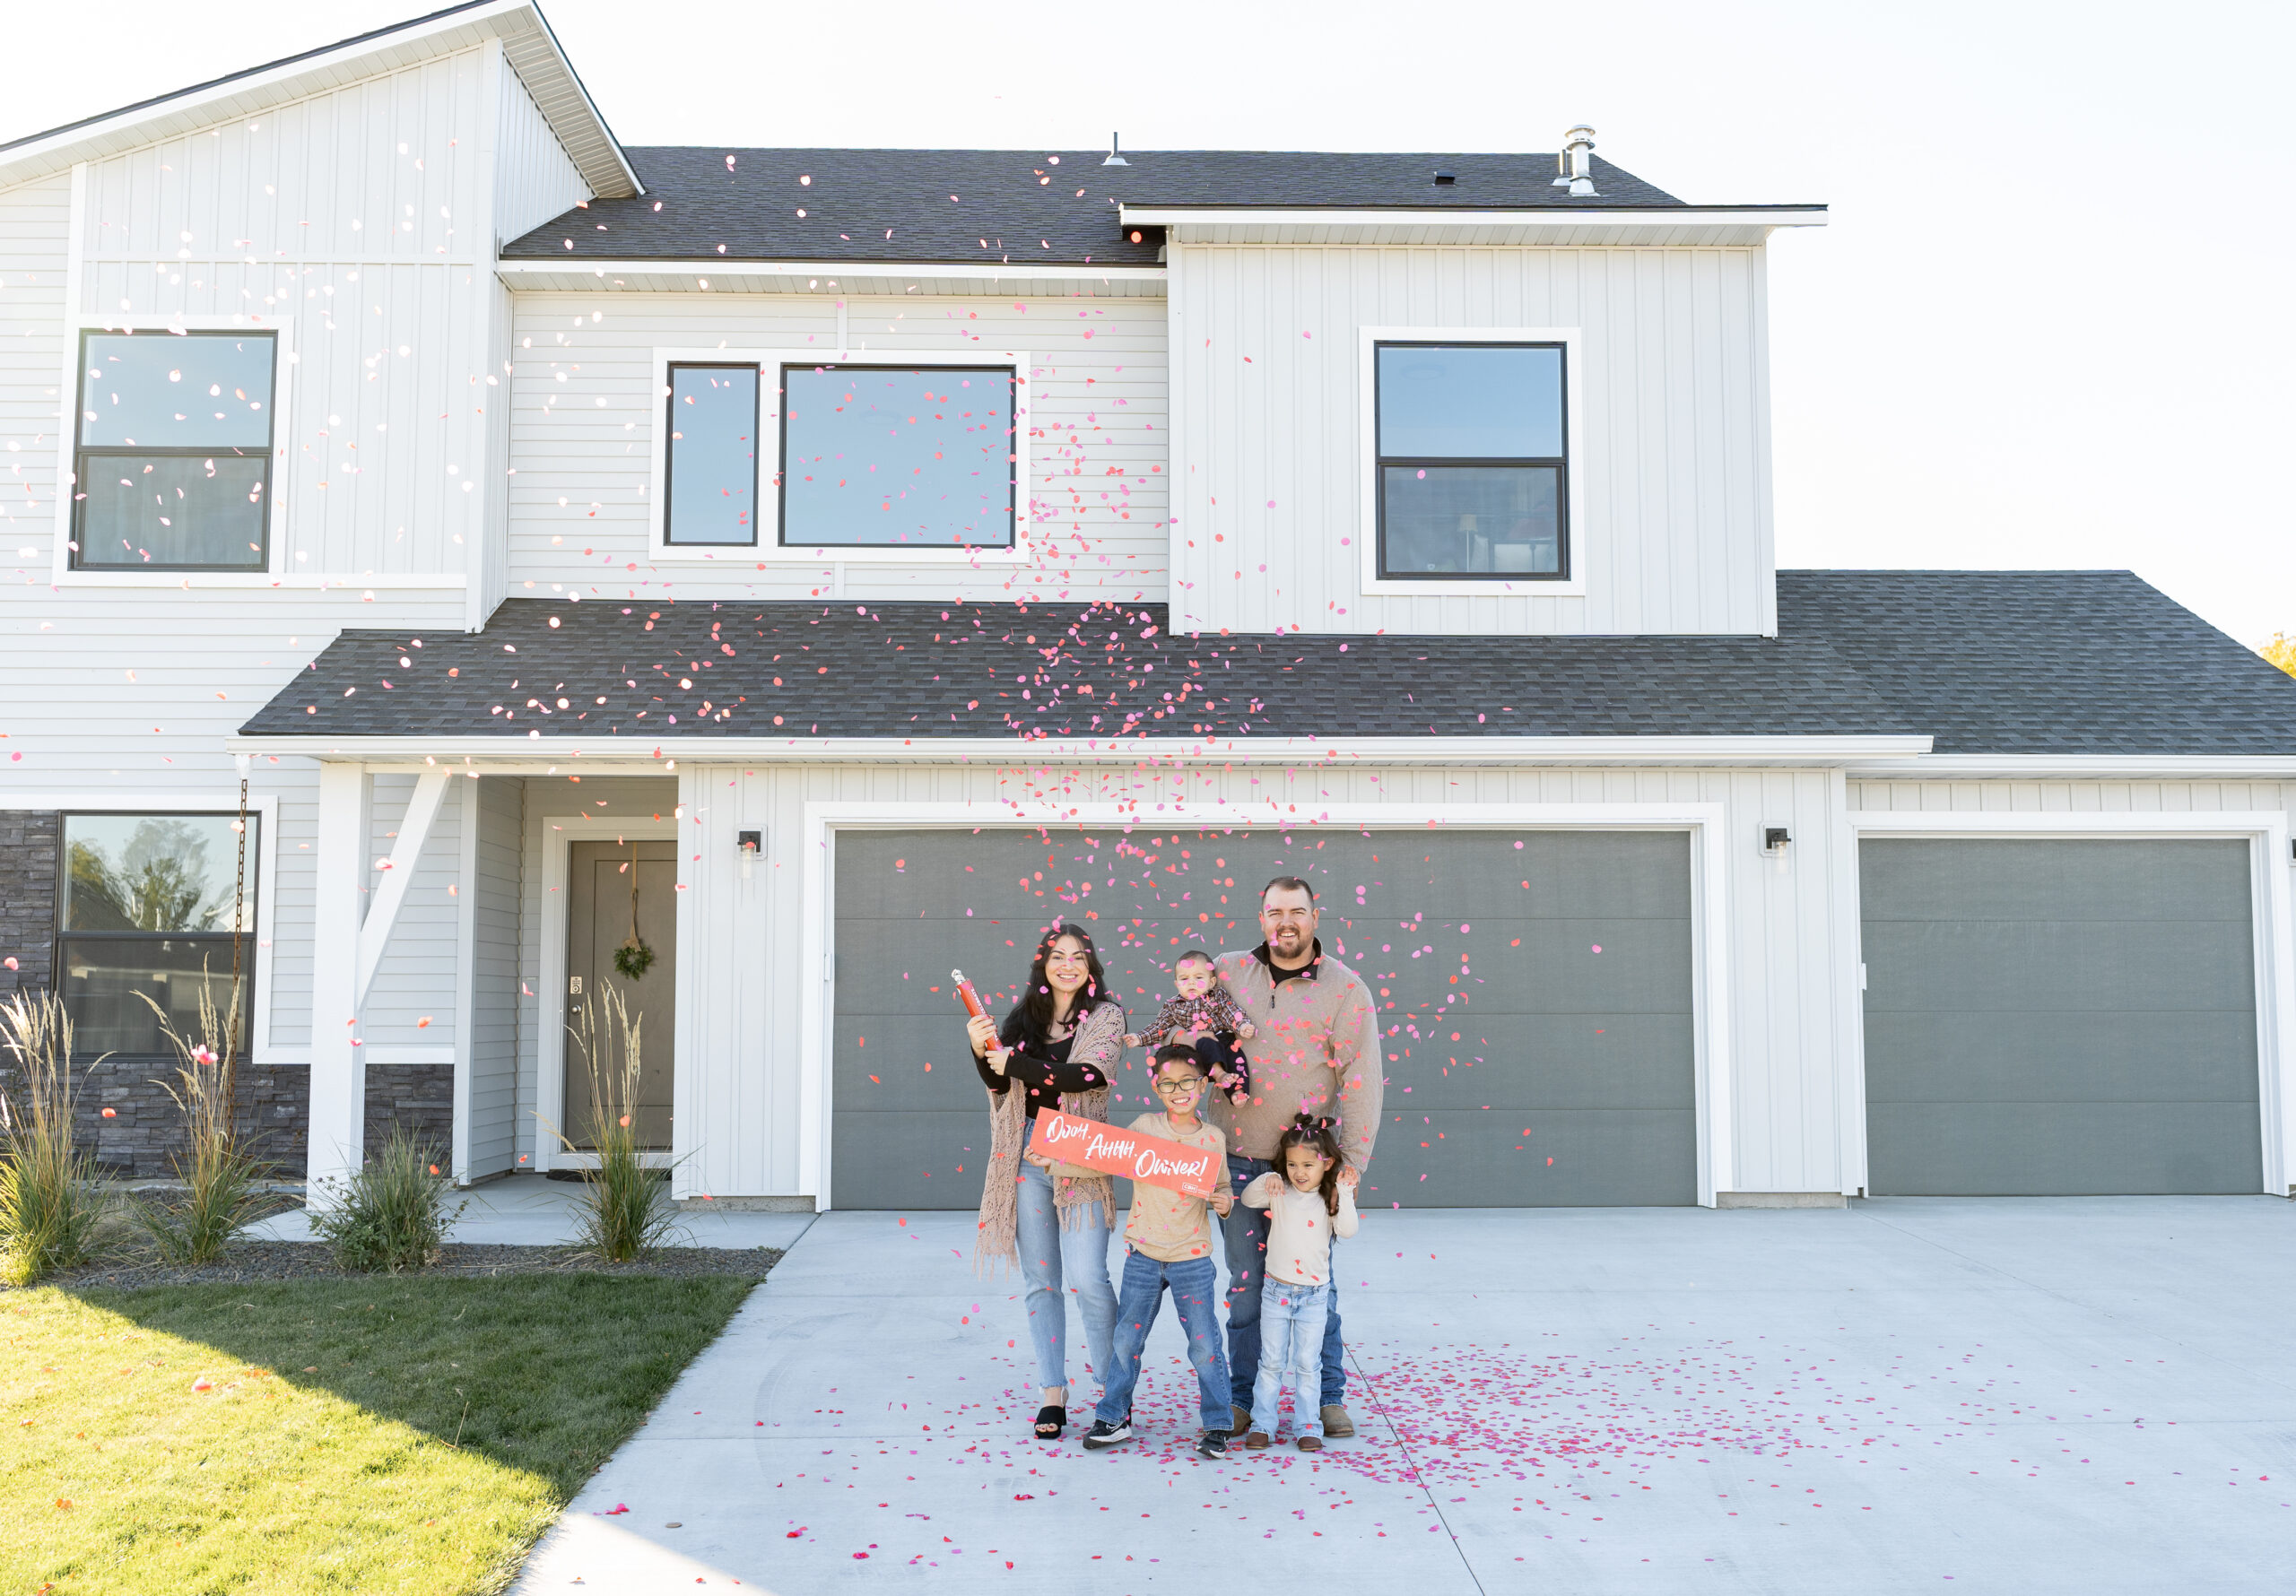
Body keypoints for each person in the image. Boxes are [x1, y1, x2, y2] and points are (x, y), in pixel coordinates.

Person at [1212, 876, 1384, 1439]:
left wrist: (1351, 1161)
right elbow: (1195, 1039)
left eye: (1297, 912)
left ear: (1316, 916)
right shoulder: (1229, 973)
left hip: (1307, 1168)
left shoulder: (1346, 989)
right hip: (1236, 1159)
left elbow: (1360, 1077)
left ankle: (1326, 1397)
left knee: (1317, 1286)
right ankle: (1242, 1399)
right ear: (1261, 917)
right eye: (1274, 911)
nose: (1285, 922)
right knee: (1245, 1285)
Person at [968, 923, 1126, 1443]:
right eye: (1058, 956)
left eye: (1078, 956)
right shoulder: (1022, 1021)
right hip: (1024, 1150)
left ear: (1090, 965)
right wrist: (981, 1051)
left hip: (1078, 1154)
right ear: (1043, 965)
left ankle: (1112, 1393)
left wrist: (1017, 1062)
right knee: (1041, 1282)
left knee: (1088, 1278)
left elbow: (1089, 1074)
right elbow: (1001, 1082)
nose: (1068, 964)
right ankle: (1053, 1392)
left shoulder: (1105, 1015)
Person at [1081, 1045, 1238, 1459]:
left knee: (1205, 1346)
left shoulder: (1212, 1139)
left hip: (1192, 1258)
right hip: (1144, 1254)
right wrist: (1053, 1160)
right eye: (1169, 1083)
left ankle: (1219, 1424)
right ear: (1157, 1087)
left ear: (1203, 1085)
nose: (1179, 1089)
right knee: (1125, 1341)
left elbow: (1220, 1187)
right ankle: (1114, 1417)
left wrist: (1224, 1201)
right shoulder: (1145, 1127)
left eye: (1188, 1081)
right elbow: (1101, 1156)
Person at [1240, 1115, 1360, 1452]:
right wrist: (1269, 1178)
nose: (1300, 1172)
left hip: (1313, 1296)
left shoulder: (1328, 1199)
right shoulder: (1281, 1191)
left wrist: (1346, 1192)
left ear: (1328, 1163)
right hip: (1276, 1292)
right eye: (1292, 1164)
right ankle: (1263, 1422)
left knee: (1308, 1364)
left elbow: (1347, 1230)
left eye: (1308, 1164)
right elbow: (1249, 1199)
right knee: (1272, 1362)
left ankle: (1308, 1425)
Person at [1123, 947, 1256, 1104]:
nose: (1191, 982)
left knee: (1237, 1058)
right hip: (1200, 1048)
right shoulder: (1173, 1005)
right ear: (1177, 984)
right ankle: (1220, 1074)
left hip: (1224, 1039)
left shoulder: (1217, 996)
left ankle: (1237, 1093)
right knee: (1206, 1042)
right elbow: (1160, 1027)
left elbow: (1231, 1012)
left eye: (1199, 977)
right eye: (1184, 979)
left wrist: (1241, 1026)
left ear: (1211, 982)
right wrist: (1139, 1038)